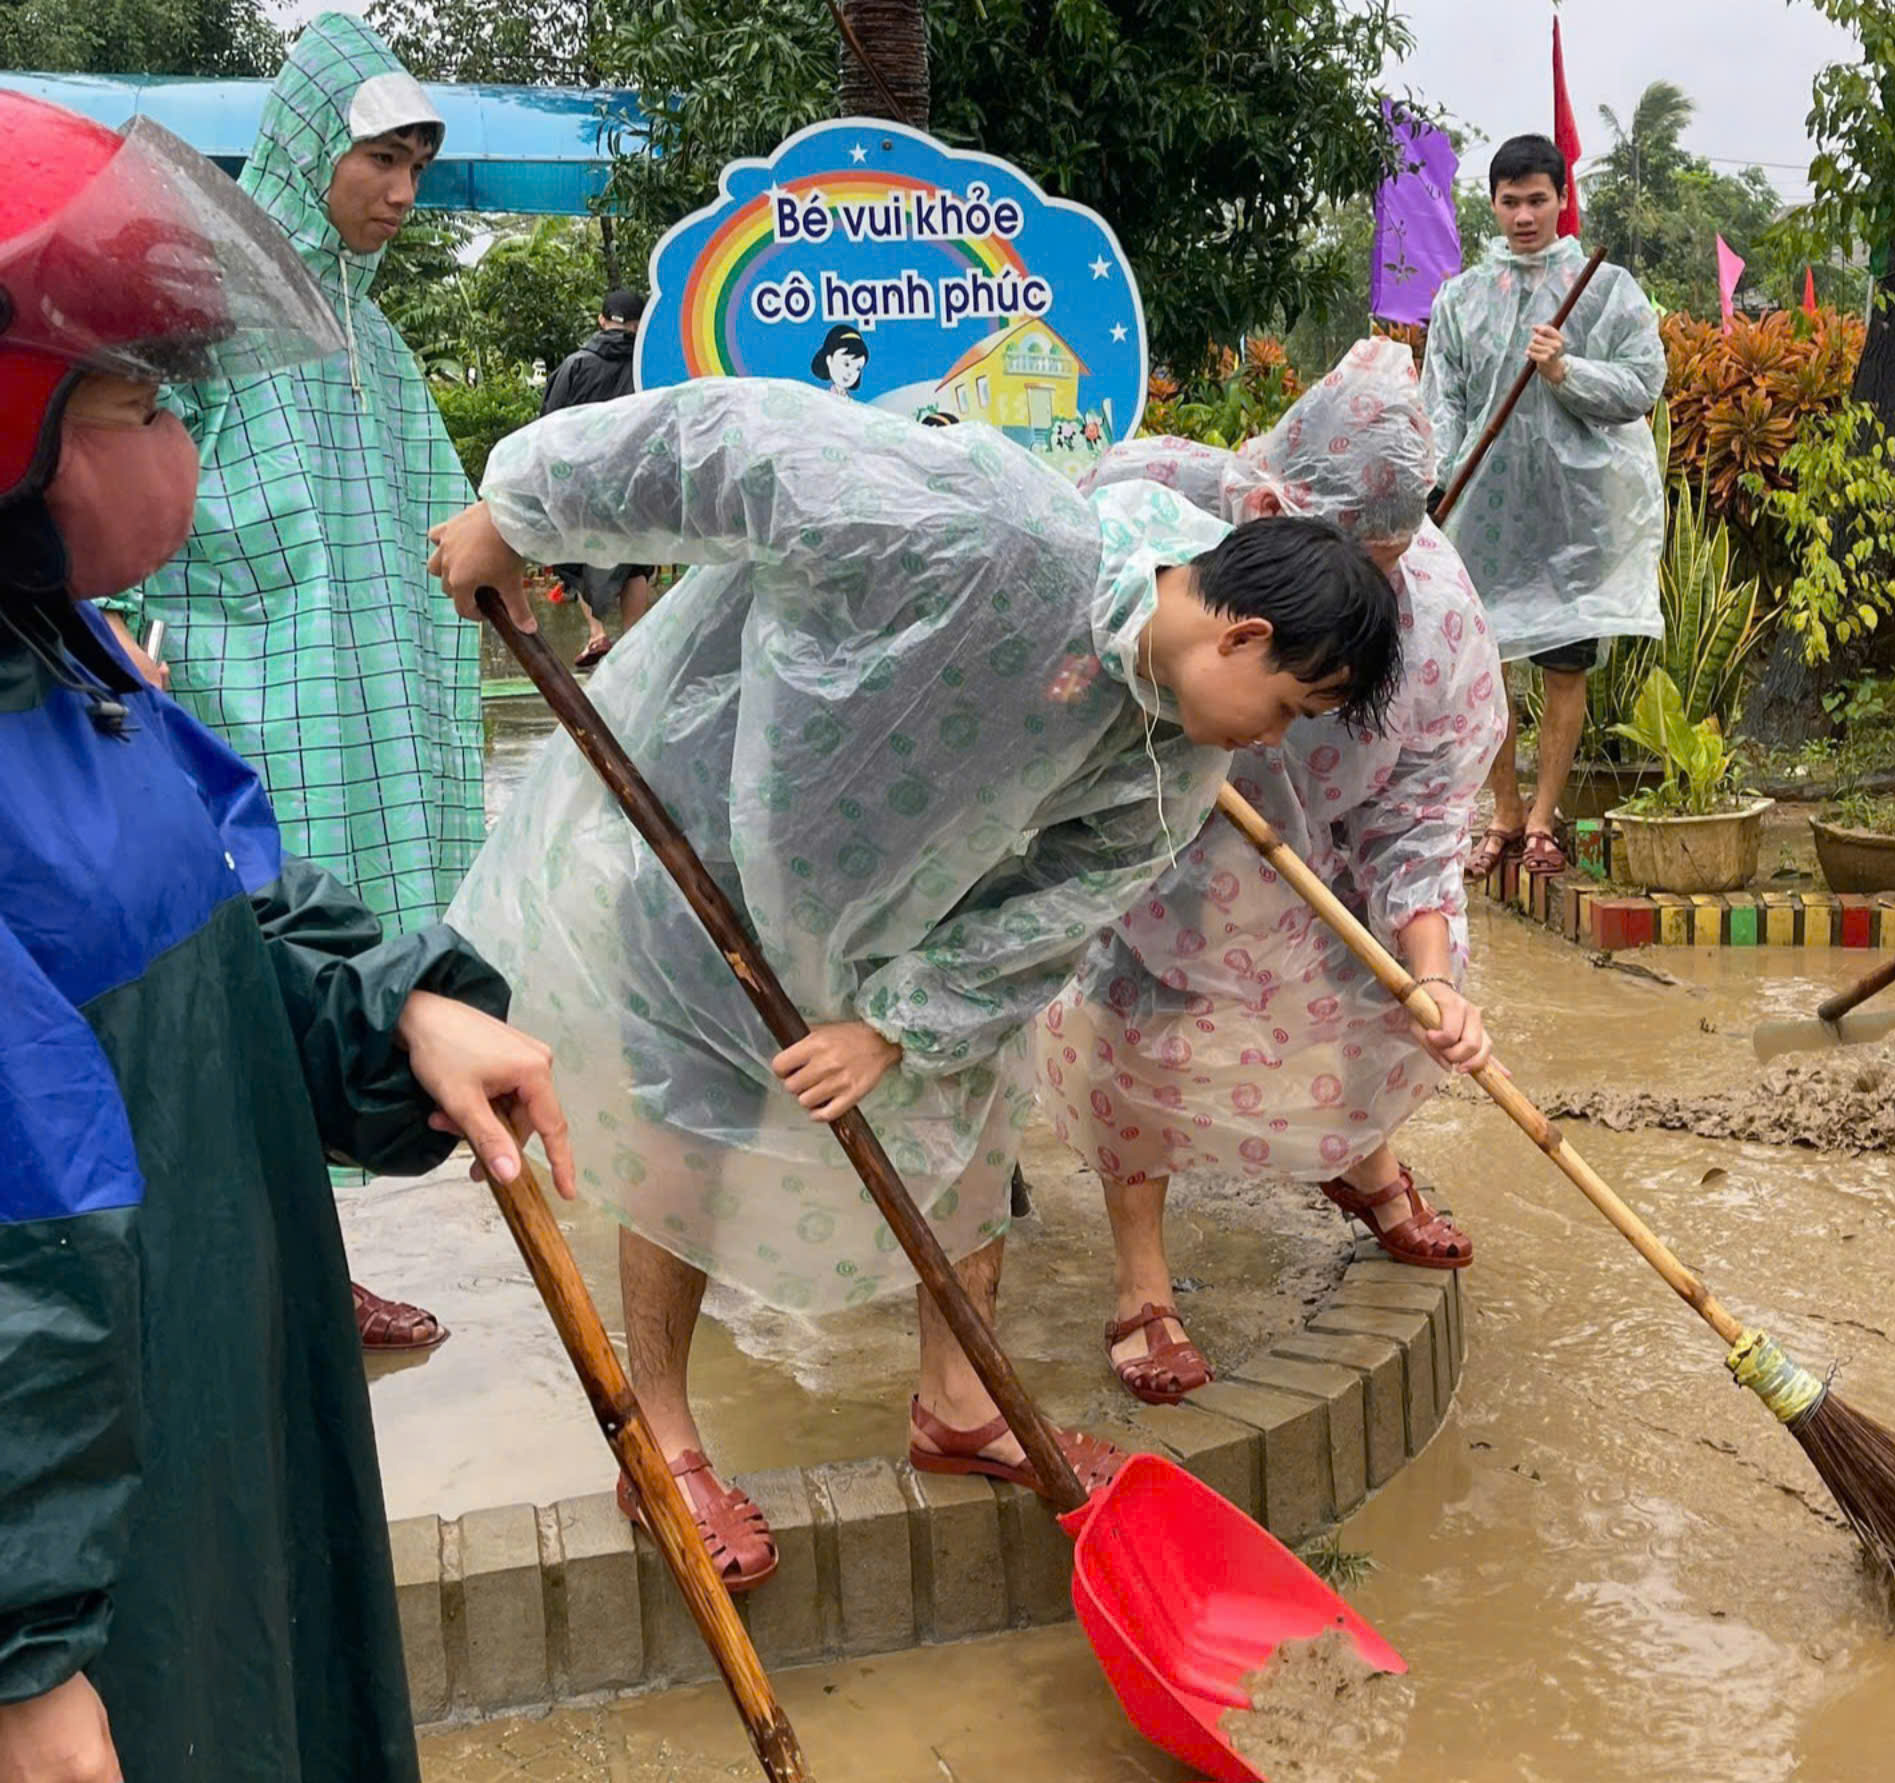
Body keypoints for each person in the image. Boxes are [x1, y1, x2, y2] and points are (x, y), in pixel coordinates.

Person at [430, 377, 1402, 1590]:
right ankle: (664, 1435)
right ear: (1242, 635)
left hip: (903, 932)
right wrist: (523, 516)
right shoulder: (992, 529)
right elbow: (736, 443)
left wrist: (896, 1025)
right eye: (1286, 708)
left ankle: (958, 1403)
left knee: (963, 1123)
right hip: (712, 835)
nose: (1270, 740)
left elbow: (1050, 916)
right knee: (696, 1119)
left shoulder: (1173, 760)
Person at [0, 95, 575, 1783]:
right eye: (125, 399)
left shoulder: (72, 665)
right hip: (90, 1543)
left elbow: (228, 894)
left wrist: (397, 1008)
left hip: (217, 1405)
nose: (171, 442)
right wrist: (27, 1654)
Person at [1040, 338, 1503, 1403]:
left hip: (1323, 841)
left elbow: (1425, 817)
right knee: (1138, 1012)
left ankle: (1361, 1159)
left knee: (1370, 981)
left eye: (1373, 573)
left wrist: (1428, 971)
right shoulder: (1148, 496)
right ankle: (1142, 1282)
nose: (1348, 595)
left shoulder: (1435, 624)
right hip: (1160, 817)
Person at [117, 12, 479, 1353]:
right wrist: (104, 629)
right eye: (379, 156)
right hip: (225, 701)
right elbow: (112, 465)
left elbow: (438, 508)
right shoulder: (206, 303)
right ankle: (234, 1271)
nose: (399, 190)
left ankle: (305, 1262)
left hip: (356, 713)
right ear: (311, 143)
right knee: (227, 980)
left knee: (332, 974)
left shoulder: (373, 347)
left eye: (420, 165)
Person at [1423, 131, 1666, 881]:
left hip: (1576, 516)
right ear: (1491, 204)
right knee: (1485, 669)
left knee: (1565, 667)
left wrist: (1566, 371)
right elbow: (1444, 405)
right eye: (1509, 200)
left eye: (1537, 199)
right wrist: (1438, 483)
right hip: (1484, 519)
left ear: (1563, 199)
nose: (1524, 214)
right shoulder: (1461, 299)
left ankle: (1540, 818)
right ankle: (1499, 809)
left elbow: (1641, 386)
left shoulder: (1608, 289)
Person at [539, 286, 655, 666]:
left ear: (602, 320)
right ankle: (638, 642)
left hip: (584, 481)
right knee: (636, 562)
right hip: (635, 480)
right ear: (639, 323)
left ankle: (598, 634)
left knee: (583, 556)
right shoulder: (648, 365)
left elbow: (549, 425)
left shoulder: (575, 365)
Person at [811, 323, 868, 399]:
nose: (850, 373)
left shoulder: (851, 402)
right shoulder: (822, 397)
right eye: (846, 364)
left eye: (858, 368)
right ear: (829, 360)